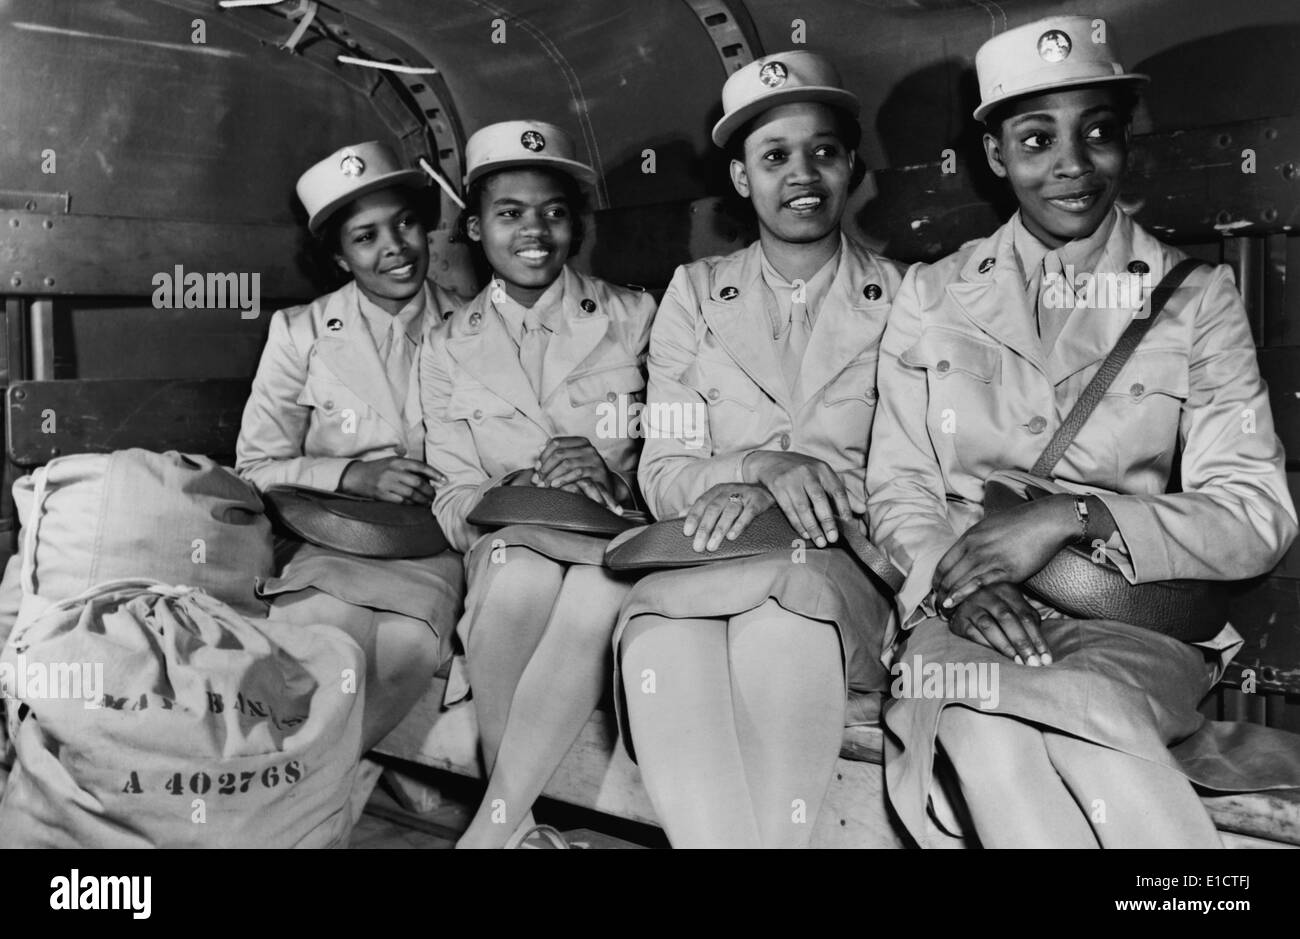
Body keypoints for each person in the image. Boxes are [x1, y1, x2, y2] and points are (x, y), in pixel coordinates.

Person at [867, 15, 1300, 847]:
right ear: (996, 155)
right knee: (982, 723)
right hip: (962, 612)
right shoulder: (934, 293)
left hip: (1125, 621)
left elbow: (1256, 513)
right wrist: (959, 587)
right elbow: (900, 484)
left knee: (1055, 716)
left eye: (1097, 133)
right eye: (1037, 139)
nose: (1072, 164)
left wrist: (1078, 516)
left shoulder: (1193, 298)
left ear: (1123, 142)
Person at [613, 52, 905, 848]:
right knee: (659, 638)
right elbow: (663, 473)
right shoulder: (694, 294)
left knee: (783, 618)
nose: (801, 174)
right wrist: (756, 465)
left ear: (852, 167)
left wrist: (788, 494)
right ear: (742, 179)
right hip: (708, 559)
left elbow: (919, 481)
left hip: (841, 571)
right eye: (775, 156)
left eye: (823, 151)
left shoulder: (908, 298)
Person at [422, 120, 656, 848]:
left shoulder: (636, 317)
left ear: (575, 225)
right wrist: (514, 491)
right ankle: (515, 831)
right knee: (517, 576)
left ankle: (495, 835)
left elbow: (680, 458)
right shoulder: (445, 345)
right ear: (475, 228)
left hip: (613, 541)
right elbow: (451, 496)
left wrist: (613, 477)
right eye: (510, 212)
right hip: (507, 541)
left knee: (596, 591)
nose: (535, 230)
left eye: (554, 211)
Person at [237, 141, 465, 751]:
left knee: (406, 648)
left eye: (405, 223)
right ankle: (297, 786)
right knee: (317, 643)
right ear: (340, 257)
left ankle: (305, 790)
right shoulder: (300, 333)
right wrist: (350, 476)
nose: (395, 247)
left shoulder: (475, 324)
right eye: (366, 237)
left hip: (435, 546)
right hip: (331, 540)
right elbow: (254, 468)